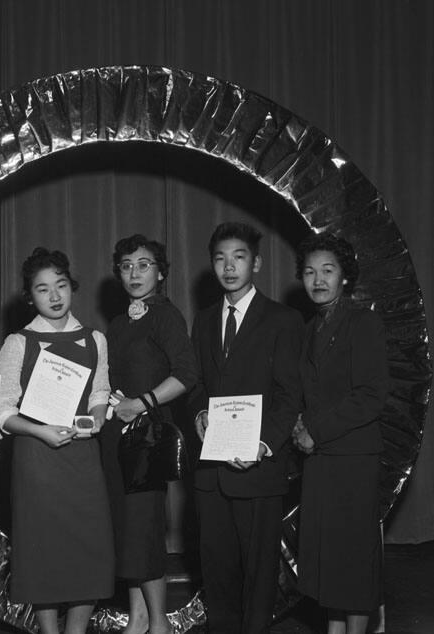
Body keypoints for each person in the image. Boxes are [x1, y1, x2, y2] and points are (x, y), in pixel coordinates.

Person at [190, 222, 303, 633]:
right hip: (212, 471)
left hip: (258, 467)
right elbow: (197, 383)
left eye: (238, 257)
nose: (229, 266)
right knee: (217, 571)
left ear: (255, 263)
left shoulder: (284, 320)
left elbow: (291, 395)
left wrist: (264, 444)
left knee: (258, 574)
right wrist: (200, 414)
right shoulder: (202, 320)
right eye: (220, 258)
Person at [0, 248, 114, 634]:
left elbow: (100, 391)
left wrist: (97, 416)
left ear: (71, 287)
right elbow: (1, 411)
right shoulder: (18, 342)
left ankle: (76, 631)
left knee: (88, 547)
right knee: (42, 549)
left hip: (82, 457)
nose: (55, 296)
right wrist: (38, 430)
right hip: (37, 460)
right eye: (43, 289)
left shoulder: (95, 338)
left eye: (61, 285)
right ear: (31, 297)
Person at [100, 234, 197, 634]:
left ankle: (159, 622)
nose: (134, 272)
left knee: (144, 528)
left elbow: (187, 376)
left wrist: (141, 402)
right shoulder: (120, 322)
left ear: (160, 271)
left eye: (143, 264)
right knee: (126, 529)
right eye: (126, 265)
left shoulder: (166, 315)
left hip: (147, 438)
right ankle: (138, 616)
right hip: (114, 435)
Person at [291, 233, 389, 634]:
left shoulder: (362, 322)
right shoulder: (310, 327)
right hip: (320, 461)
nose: (318, 280)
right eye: (310, 272)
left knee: (352, 559)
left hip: (352, 459)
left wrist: (315, 430)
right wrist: (300, 424)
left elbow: (371, 395)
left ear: (344, 277)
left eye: (328, 271)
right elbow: (308, 391)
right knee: (328, 559)